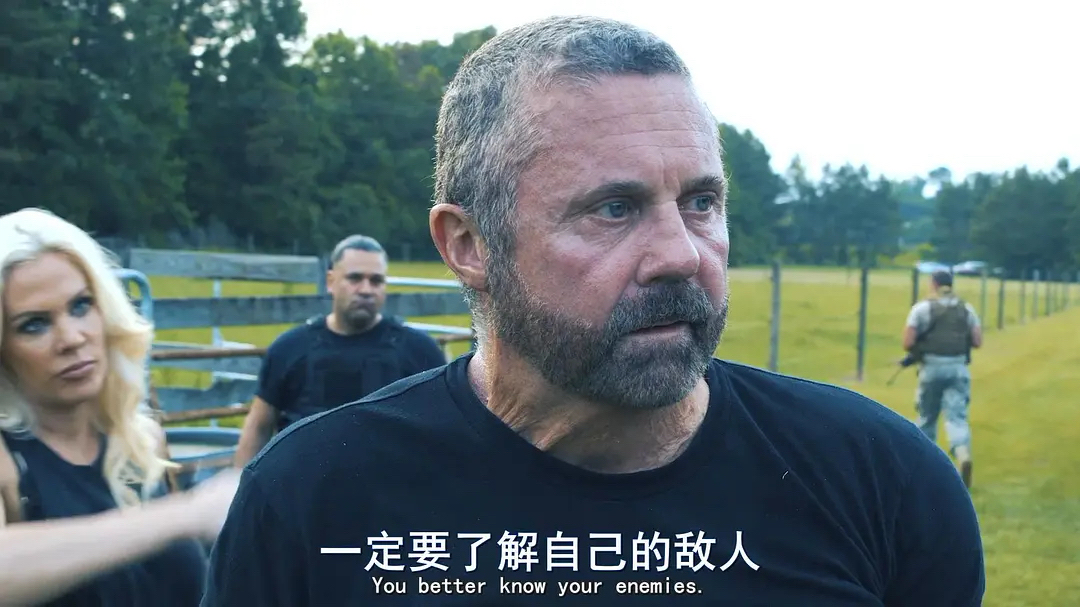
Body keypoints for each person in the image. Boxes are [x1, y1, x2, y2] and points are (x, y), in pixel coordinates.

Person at [202, 16, 984, 606]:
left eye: (702, 201)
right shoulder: (312, 500)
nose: (681, 253)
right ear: (469, 244)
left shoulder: (883, 481)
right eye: (614, 207)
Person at [0, 208, 240, 606]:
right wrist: (183, 515)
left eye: (81, 305)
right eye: (34, 324)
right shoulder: (9, 461)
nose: (72, 338)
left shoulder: (141, 439)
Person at [232, 234, 449, 466]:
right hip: (304, 482)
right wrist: (240, 481)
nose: (366, 290)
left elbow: (445, 428)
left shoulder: (419, 351)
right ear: (330, 281)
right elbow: (259, 426)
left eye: (376, 281)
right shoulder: (289, 349)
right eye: (355, 278)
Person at [902, 269, 982, 488]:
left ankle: (925, 467)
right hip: (958, 368)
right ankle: (962, 453)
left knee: (927, 417)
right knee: (956, 416)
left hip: (931, 368)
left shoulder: (922, 308)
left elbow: (908, 342)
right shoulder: (966, 309)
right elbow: (977, 341)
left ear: (934, 284)